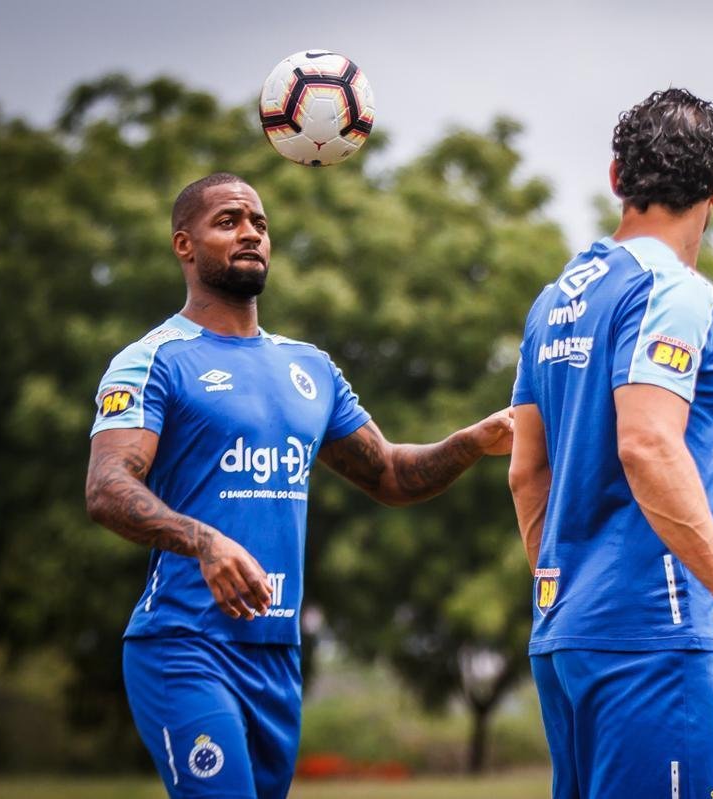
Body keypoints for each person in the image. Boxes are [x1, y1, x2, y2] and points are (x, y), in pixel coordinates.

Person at [84, 172, 512, 799]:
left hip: (276, 654)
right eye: (228, 222)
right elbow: (106, 486)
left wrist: (472, 441)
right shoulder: (155, 359)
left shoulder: (309, 367)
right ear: (184, 244)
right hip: (185, 646)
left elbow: (390, 473)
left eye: (258, 222)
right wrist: (206, 542)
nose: (251, 233)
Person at [508, 89, 713, 799]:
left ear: (615, 177)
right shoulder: (673, 288)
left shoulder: (556, 298)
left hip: (567, 635)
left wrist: (567, 595)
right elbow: (649, 446)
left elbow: (525, 472)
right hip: (650, 637)